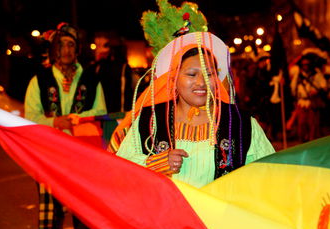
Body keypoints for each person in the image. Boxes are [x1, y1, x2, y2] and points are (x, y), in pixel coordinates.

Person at [110, 1, 274, 188]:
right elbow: (119, 169)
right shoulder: (150, 121)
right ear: (173, 80)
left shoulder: (240, 123)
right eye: (191, 74)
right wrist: (155, 163)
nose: (201, 82)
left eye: (209, 74)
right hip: (164, 216)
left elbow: (268, 174)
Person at [24, 22, 107, 229]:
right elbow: (31, 117)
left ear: (78, 49)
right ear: (53, 50)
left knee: (85, 210)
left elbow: (100, 111)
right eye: (61, 46)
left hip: (83, 157)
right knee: (50, 210)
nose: (66, 50)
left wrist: (72, 119)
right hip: (49, 156)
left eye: (71, 45)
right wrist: (54, 123)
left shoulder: (91, 79)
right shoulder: (39, 80)